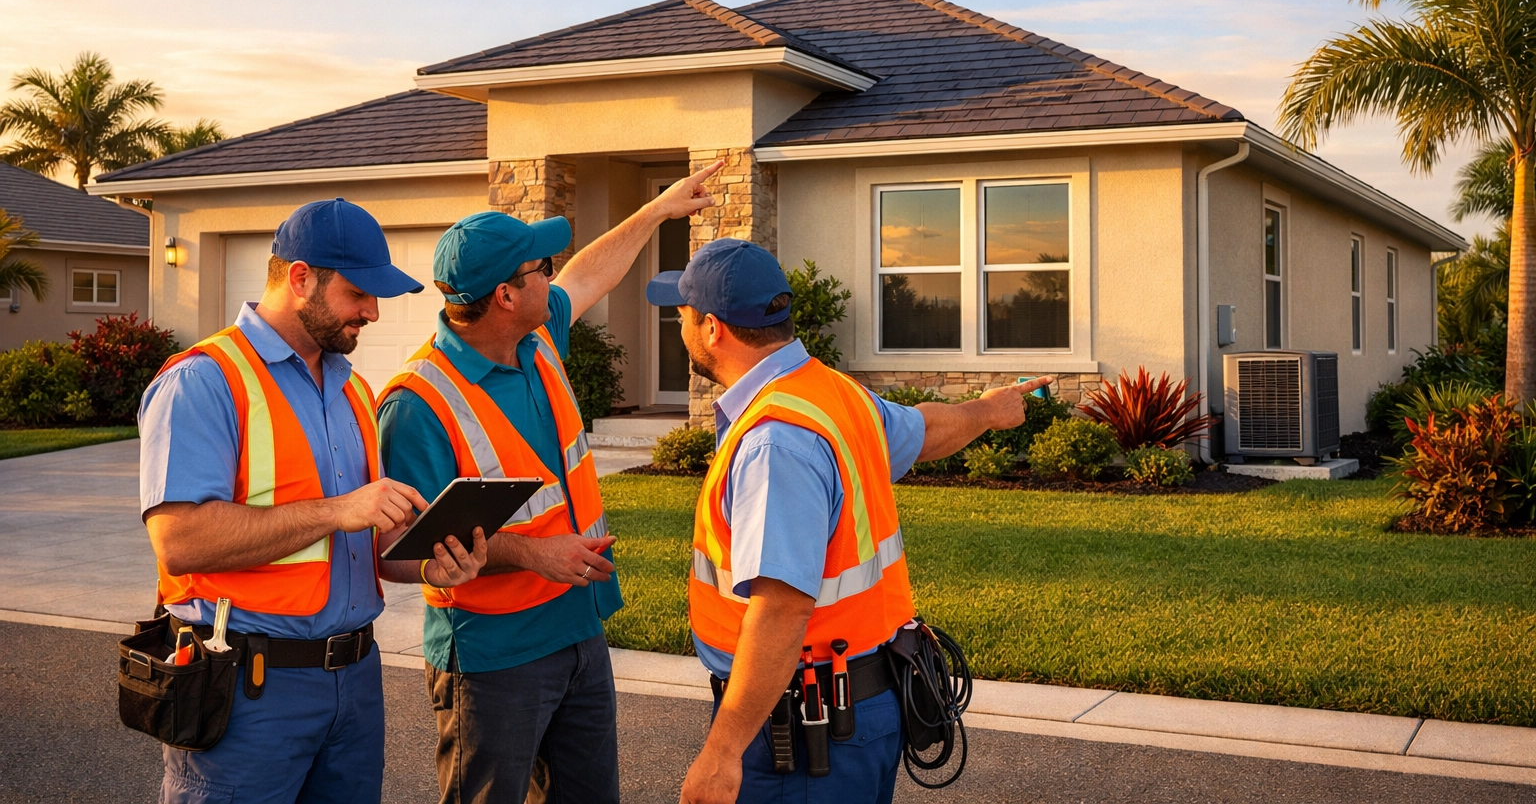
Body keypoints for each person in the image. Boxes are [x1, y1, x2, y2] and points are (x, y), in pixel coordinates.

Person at [649, 238, 1049, 804]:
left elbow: (782, 609)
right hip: (860, 708)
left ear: (712, 328)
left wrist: (723, 751)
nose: (680, 324)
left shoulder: (776, 440)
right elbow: (924, 430)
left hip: (802, 731)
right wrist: (988, 410)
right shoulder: (834, 394)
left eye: (683, 313)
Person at [377, 161, 724, 804]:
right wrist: (532, 552)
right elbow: (399, 549)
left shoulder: (536, 341)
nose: (551, 274)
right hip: (491, 659)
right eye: (539, 268)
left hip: (577, 632)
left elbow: (590, 272)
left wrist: (656, 211)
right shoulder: (418, 402)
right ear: (505, 295)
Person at [140, 198, 490, 804]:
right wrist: (335, 510)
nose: (373, 313)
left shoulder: (353, 388)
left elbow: (374, 551)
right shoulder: (204, 380)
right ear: (301, 279)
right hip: (245, 689)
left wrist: (432, 566)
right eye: (359, 293)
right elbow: (180, 542)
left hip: (354, 683)